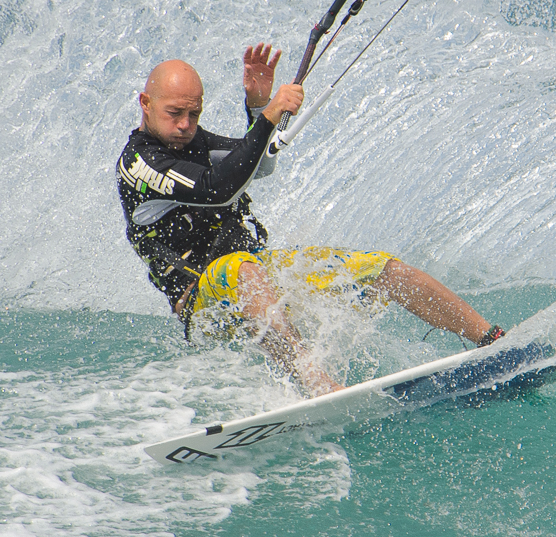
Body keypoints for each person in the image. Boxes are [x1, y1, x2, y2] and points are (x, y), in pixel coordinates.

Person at [118, 43, 505, 395]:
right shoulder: (140, 162)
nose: (186, 125)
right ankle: (317, 385)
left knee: (381, 269)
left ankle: (492, 338)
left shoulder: (192, 138)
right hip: (202, 304)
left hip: (255, 277)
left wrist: (257, 109)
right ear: (145, 103)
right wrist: (269, 115)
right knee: (245, 272)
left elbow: (257, 165)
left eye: (194, 113)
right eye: (175, 114)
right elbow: (217, 188)